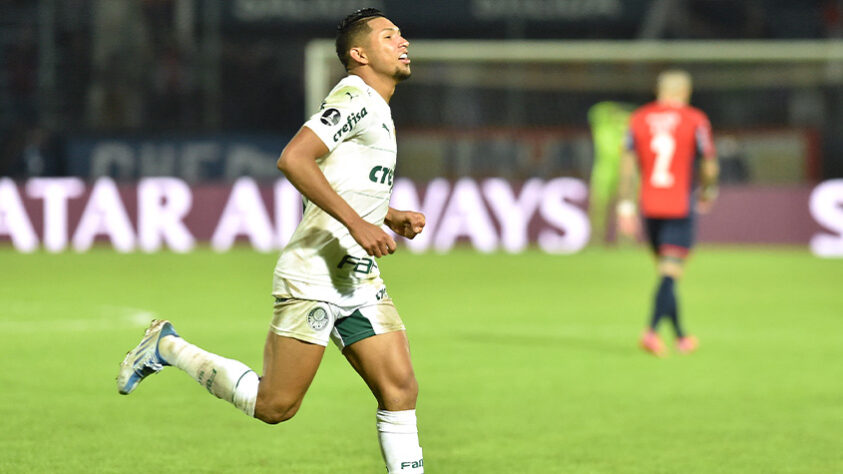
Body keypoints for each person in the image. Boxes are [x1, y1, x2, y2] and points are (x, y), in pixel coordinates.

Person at [116, 9, 426, 473]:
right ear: (359, 54)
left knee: (400, 390)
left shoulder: (378, 107)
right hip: (315, 275)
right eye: (389, 35)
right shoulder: (355, 97)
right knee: (275, 406)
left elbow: (343, 180)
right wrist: (360, 226)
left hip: (357, 277)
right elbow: (295, 159)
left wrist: (388, 214)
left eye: (401, 34)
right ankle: (169, 347)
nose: (403, 42)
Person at [616, 70, 719, 357]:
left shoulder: (637, 119)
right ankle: (650, 331)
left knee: (666, 274)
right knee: (670, 275)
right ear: (685, 93)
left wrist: (625, 207)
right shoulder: (695, 119)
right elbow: (709, 164)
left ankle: (681, 336)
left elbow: (627, 168)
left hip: (650, 206)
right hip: (679, 206)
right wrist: (708, 192)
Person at [587, 101, 634, 245]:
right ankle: (596, 238)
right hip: (604, 171)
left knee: (625, 206)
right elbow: (595, 111)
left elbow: (637, 115)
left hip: (624, 170)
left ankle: (625, 238)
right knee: (598, 207)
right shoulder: (602, 123)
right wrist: (614, 108)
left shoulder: (628, 125)